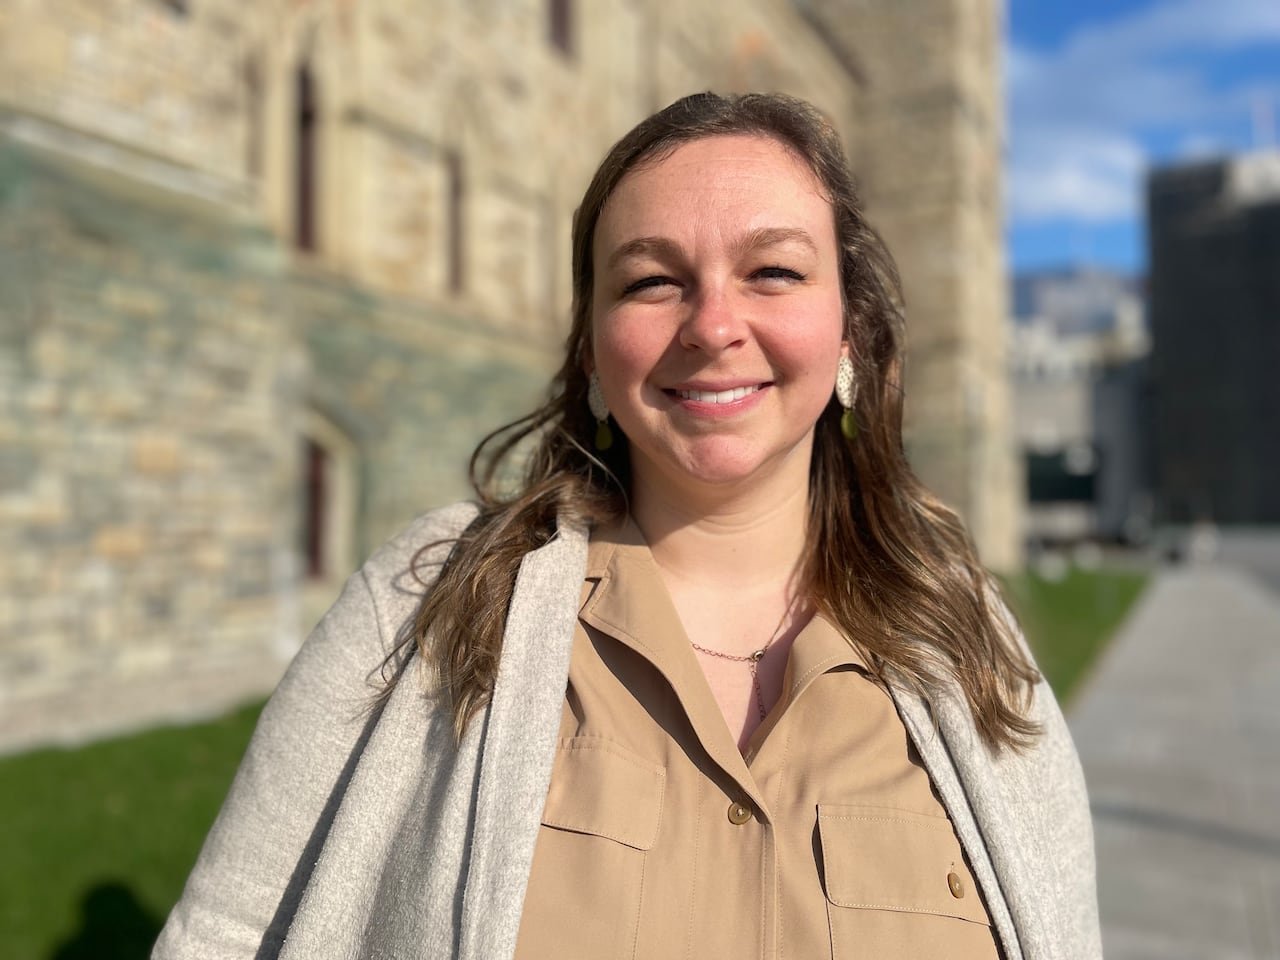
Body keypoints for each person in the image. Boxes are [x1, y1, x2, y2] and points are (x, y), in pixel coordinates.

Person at [153, 92, 1100, 960]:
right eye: (652, 282)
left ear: (848, 333)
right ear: (594, 352)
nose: (713, 325)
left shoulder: (965, 640)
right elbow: (225, 938)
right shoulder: (424, 599)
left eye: (773, 271)